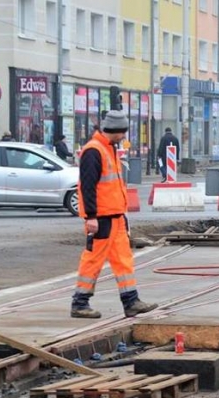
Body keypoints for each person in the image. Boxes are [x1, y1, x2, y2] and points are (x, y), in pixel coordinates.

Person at [70, 110, 158, 319]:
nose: (124, 137)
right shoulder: (94, 150)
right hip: (101, 218)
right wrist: (91, 216)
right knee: (94, 259)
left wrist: (122, 214)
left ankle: (131, 301)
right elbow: (88, 187)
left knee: (123, 260)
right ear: (116, 130)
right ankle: (79, 303)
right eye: (123, 132)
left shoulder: (109, 148)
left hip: (116, 216)